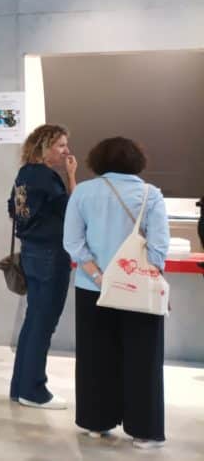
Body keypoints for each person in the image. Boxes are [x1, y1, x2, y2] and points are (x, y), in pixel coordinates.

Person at [63, 137, 169, 449]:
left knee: (95, 357)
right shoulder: (151, 194)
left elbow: (72, 242)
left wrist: (99, 276)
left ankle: (96, 422)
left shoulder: (83, 192)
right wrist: (146, 275)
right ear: (137, 161)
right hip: (139, 291)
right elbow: (159, 247)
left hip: (91, 288)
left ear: (97, 161)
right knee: (144, 358)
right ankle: (145, 431)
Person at [7, 124, 77, 409]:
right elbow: (72, 211)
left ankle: (20, 387)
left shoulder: (24, 174)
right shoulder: (48, 178)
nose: (66, 151)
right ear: (45, 147)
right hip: (51, 254)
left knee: (33, 321)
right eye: (60, 145)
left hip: (31, 252)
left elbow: (13, 210)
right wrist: (71, 176)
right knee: (43, 323)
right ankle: (34, 391)